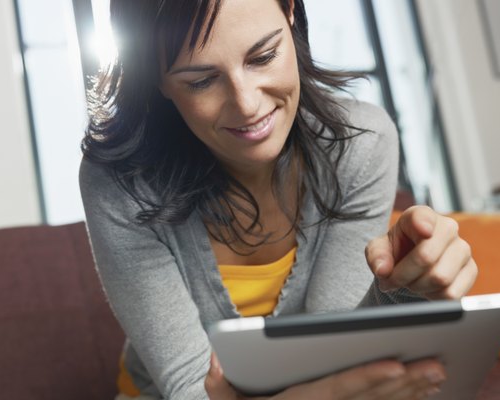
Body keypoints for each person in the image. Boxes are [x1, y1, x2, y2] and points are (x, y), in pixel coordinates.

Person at [79, 0, 478, 398]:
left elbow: (337, 349)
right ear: (158, 80)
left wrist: (407, 285)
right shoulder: (119, 182)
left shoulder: (361, 144)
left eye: (263, 56)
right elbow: (190, 390)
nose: (248, 105)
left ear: (289, 11)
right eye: (200, 81)